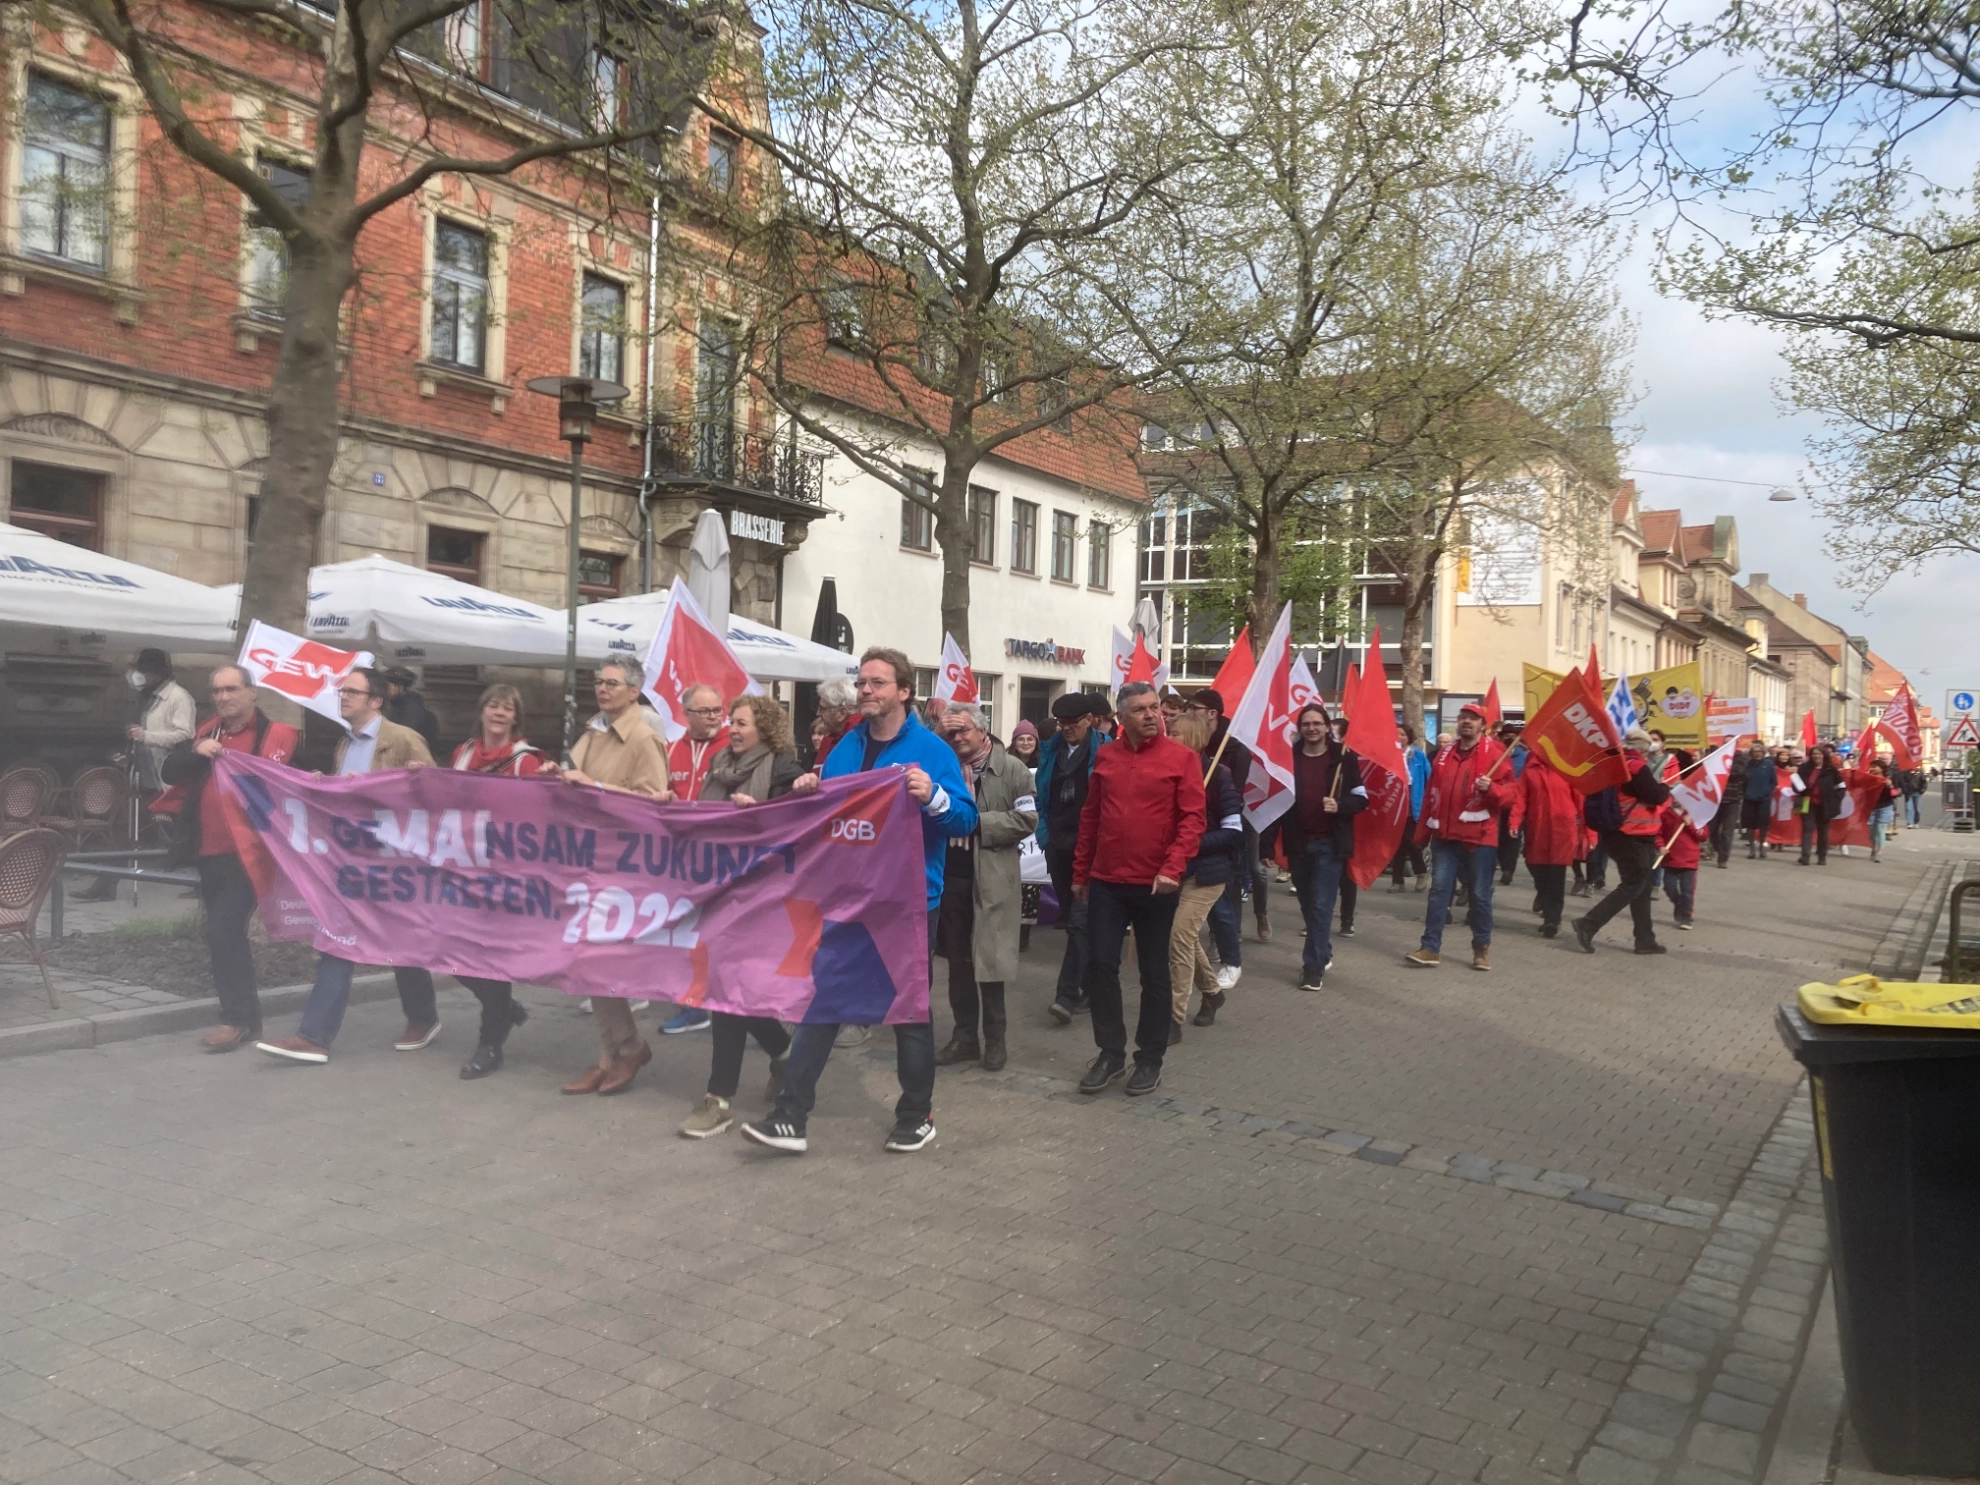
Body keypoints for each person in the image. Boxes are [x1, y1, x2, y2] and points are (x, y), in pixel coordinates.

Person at [740, 647, 977, 1156]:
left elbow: (965, 819)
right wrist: (810, 791)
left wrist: (933, 796)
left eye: (878, 683)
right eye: (862, 682)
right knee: (823, 1000)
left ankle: (916, 1114)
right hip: (848, 897)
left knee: (908, 1010)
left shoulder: (932, 751)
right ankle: (790, 1116)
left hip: (908, 901)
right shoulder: (846, 746)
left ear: (904, 691)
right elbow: (830, 817)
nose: (866, 690)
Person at [256, 669, 441, 1063]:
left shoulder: (403, 739)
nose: (343, 697)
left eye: (352, 692)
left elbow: (433, 797)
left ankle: (423, 1017)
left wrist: (383, 789)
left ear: (375, 701)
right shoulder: (345, 743)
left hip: (393, 864)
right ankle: (314, 1036)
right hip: (352, 862)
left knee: (401, 941)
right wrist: (325, 787)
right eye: (342, 691)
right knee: (337, 940)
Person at [1070, 682, 1205, 1097]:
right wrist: (1081, 872)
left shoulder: (1182, 759)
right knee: (1100, 965)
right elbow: (1091, 816)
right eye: (1141, 709)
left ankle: (1149, 1059)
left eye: (1154, 708)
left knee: (1154, 973)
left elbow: (1193, 821)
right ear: (1121, 717)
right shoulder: (1106, 756)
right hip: (1107, 880)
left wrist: (1173, 868)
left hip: (1156, 885)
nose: (1151, 715)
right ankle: (1110, 1053)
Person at [679, 693, 804, 1138]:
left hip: (759, 894)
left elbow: (799, 826)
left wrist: (763, 816)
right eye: (731, 721)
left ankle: (719, 1099)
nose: (732, 728)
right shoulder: (719, 767)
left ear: (764, 729)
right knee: (731, 988)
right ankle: (785, 1055)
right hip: (718, 887)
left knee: (726, 989)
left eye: (742, 723)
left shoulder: (784, 769)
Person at [157, 666, 299, 1051]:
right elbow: (170, 770)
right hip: (209, 852)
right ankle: (246, 1019)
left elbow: (303, 780)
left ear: (252, 693)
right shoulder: (207, 732)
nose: (223, 697)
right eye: (217, 691)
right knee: (224, 935)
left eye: (232, 689)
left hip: (250, 854)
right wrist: (195, 750)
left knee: (223, 930)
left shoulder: (276, 734)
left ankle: (235, 1020)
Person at [548, 658, 673, 1094]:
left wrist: (594, 787)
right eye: (599, 681)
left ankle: (624, 1050)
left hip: (621, 864)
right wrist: (557, 777)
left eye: (613, 683)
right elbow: (577, 779)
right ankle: (615, 1053)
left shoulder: (643, 737)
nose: (602, 689)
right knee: (587, 959)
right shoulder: (595, 730)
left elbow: (653, 804)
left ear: (634, 692)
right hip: (588, 858)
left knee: (596, 959)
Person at [446, 685, 546, 1079]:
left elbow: (539, 817)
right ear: (482, 712)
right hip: (463, 866)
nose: (499, 713)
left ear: (516, 718)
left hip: (505, 872)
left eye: (507, 708)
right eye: (493, 705)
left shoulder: (526, 761)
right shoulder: (463, 753)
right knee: (446, 946)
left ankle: (490, 1044)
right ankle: (505, 1010)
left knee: (492, 959)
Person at [933, 702, 1036, 1072]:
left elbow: (1027, 819)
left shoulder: (1013, 769)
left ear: (982, 730)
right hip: (950, 877)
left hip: (992, 879)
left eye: (962, 731)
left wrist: (974, 822)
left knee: (990, 964)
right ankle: (964, 1038)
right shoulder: (942, 767)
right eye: (950, 733)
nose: (956, 738)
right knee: (958, 963)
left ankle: (995, 1040)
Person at [1405, 704, 1514, 970]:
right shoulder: (1443, 755)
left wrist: (1492, 789)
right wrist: (1421, 835)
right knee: (1439, 893)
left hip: (1480, 839)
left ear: (1482, 725)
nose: (1466, 722)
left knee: (1479, 895)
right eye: (1463, 718)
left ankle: (1481, 948)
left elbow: (1511, 796)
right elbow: (1432, 794)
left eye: (1473, 719)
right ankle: (1430, 948)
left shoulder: (1496, 753)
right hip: (1445, 838)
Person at [657, 683, 732, 1035]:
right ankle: (693, 1005)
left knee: (715, 933)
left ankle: (721, 1002)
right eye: (705, 711)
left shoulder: (735, 747)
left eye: (718, 709)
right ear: (686, 715)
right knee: (684, 931)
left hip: (720, 857)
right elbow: (656, 791)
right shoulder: (670, 749)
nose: (715, 717)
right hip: (677, 858)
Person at [1165, 711, 1243, 1032]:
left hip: (1208, 872)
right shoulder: (1166, 774)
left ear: (1195, 739)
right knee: (1183, 938)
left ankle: (1173, 1017)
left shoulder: (1218, 777)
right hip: (1173, 871)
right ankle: (1211, 993)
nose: (1168, 738)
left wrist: (1193, 843)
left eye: (1175, 733)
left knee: (1179, 935)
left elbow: (1234, 832)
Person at [1282, 703, 1368, 990]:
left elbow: (1361, 798)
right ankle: (1323, 951)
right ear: (1299, 728)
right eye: (1306, 724)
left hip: (1329, 844)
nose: (1312, 728)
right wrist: (1268, 845)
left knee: (1321, 906)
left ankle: (1313, 967)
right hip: (1298, 842)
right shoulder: (1288, 757)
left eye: (1317, 723)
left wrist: (1340, 805)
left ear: (1327, 726)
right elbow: (1277, 801)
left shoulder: (1343, 758)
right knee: (1308, 904)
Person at [1570, 725, 1677, 956]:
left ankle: (1645, 940)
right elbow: (1656, 795)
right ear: (1643, 749)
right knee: (1633, 885)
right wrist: (1664, 786)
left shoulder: (1616, 764)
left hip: (1620, 835)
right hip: (1632, 836)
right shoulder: (1636, 767)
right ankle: (1588, 924)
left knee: (1642, 888)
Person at [1035, 692, 1106, 1023]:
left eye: (1072, 723)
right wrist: (1045, 836)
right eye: (1061, 723)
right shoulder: (1050, 750)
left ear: (1089, 720)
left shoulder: (1106, 751)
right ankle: (1094, 987)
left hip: (1091, 849)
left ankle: (1066, 995)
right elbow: (1040, 796)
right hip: (1059, 847)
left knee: (1080, 922)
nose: (1066, 729)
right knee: (1074, 922)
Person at [1183, 687, 1260, 964]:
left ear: (1211, 713)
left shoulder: (1235, 749)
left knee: (1225, 897)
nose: (1189, 712)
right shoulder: (1189, 745)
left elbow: (1233, 797)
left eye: (1194, 708)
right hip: (1191, 836)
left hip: (1220, 833)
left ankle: (1227, 949)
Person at [1516, 751, 1581, 939]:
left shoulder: (1569, 769)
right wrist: (1514, 822)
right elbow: (1521, 798)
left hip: (1562, 830)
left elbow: (1581, 802)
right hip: (1537, 829)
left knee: (1556, 875)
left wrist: (1590, 833)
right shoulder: (1531, 769)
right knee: (1536, 868)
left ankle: (1552, 920)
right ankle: (1544, 899)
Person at [123, 647, 196, 795]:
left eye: (143, 672)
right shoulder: (146, 696)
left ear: (156, 674)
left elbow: (185, 736)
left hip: (165, 782)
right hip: (144, 779)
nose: (138, 675)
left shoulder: (178, 697)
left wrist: (147, 736)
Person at [1389, 724, 1431, 892]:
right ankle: (1397, 881)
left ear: (1409, 737)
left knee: (1412, 842)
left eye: (1403, 735)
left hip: (1413, 805)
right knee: (1397, 845)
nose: (1399, 738)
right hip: (1394, 806)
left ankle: (1421, 873)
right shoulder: (1390, 756)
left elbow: (1429, 777)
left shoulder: (1418, 755)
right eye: (1396, 734)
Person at [1798, 745, 1846, 866]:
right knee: (1807, 829)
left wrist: (1836, 799)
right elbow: (1796, 783)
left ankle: (1822, 856)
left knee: (1823, 831)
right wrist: (1797, 787)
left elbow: (1841, 787)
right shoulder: (1804, 768)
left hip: (1825, 804)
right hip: (1807, 803)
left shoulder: (1831, 770)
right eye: (1814, 754)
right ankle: (1805, 856)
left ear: (1824, 755)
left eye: (1819, 754)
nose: (1816, 756)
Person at [1660, 802, 1707, 928]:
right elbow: (1658, 834)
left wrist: (1690, 825)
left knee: (1687, 891)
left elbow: (1703, 836)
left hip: (1689, 860)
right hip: (1670, 859)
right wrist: (1660, 846)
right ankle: (1679, 905)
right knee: (1669, 887)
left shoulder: (1695, 815)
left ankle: (1686, 917)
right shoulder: (1665, 814)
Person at [381, 666, 442, 756]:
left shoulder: (411, 709)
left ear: (399, 687)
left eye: (388, 686)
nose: (384, 689)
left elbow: (403, 736)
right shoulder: (395, 703)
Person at [1860, 757, 1900, 863]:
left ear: (1882, 769)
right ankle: (1874, 847)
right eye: (1871, 767)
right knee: (1872, 831)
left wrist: (1890, 786)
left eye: (1875, 767)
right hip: (1871, 808)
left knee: (1880, 830)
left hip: (1885, 807)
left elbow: (1895, 794)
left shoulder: (1887, 780)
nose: (1873, 769)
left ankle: (1879, 852)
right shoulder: (1868, 779)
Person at [812, 677, 858, 766]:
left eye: (823, 709)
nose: (818, 713)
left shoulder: (859, 739)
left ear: (842, 713)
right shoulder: (830, 739)